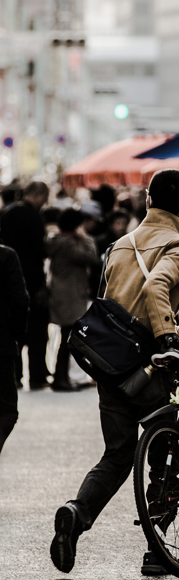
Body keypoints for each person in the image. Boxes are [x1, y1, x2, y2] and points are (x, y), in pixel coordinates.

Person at [50, 168, 179, 577]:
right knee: (165, 454)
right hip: (150, 368)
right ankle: (157, 549)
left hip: (110, 365)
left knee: (117, 455)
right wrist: (169, 337)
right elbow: (154, 291)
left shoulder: (119, 245)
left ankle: (76, 513)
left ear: (147, 199)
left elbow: (113, 303)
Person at [1, 181, 51, 389]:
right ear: (37, 195)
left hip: (8, 279)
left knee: (15, 329)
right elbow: (40, 250)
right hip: (31, 279)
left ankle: (16, 374)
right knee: (38, 331)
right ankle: (37, 374)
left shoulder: (6, 213)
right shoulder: (32, 217)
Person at [47, 209, 99, 392]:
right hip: (69, 295)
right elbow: (91, 257)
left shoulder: (58, 241)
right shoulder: (67, 244)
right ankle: (60, 378)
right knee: (68, 336)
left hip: (65, 294)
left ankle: (61, 376)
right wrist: (86, 237)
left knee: (66, 335)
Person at [0, 237, 29, 455]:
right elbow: (20, 301)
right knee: (7, 409)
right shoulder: (6, 256)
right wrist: (16, 335)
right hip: (1, 343)